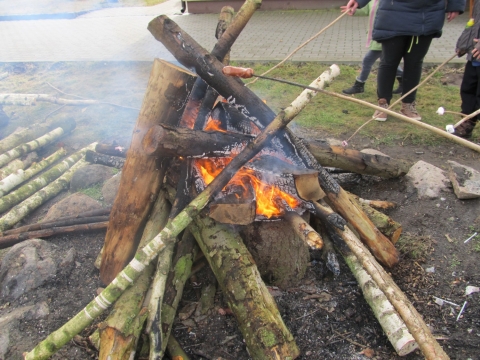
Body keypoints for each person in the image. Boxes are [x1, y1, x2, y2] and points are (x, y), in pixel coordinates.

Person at [342, 0, 465, 121]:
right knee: (388, 62)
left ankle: (408, 103)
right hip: (393, 12)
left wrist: (456, 4)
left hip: (426, 15)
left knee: (414, 63)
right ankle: (383, 103)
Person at [342, 1, 403, 95]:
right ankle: (404, 82)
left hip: (383, 38)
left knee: (367, 60)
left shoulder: (388, 2)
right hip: (375, 37)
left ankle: (359, 85)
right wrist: (353, 10)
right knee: (388, 62)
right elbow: (366, 10)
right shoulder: (372, 1)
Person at [455, 0, 480, 138]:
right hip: (474, 58)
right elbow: (473, 22)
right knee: (468, 89)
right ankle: (467, 122)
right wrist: (463, 43)